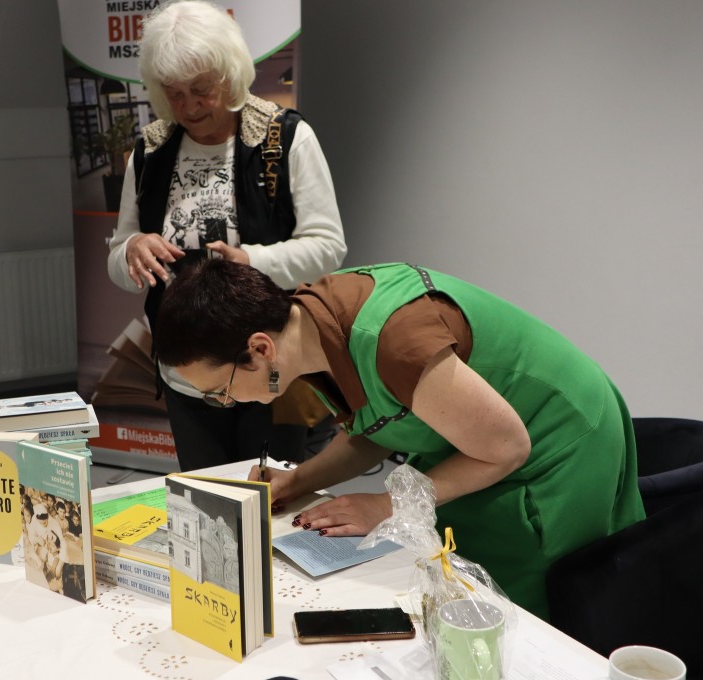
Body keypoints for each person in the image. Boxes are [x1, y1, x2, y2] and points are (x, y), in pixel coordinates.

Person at [153, 259, 646, 620]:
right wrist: (297, 480)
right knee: (452, 587)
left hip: (554, 441)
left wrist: (385, 505)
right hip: (479, 439)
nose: (225, 403)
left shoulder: (391, 340)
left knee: (516, 611)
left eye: (220, 390)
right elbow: (379, 428)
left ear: (259, 349)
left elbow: (506, 449)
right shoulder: (311, 327)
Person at [106, 0, 346, 472]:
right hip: (186, 374)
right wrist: (131, 249)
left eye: (201, 89)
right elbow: (118, 258)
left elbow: (328, 247)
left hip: (270, 370)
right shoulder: (150, 151)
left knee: (271, 498)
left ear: (230, 75)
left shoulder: (285, 139)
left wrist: (252, 261)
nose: (189, 107)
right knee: (205, 497)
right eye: (174, 93)